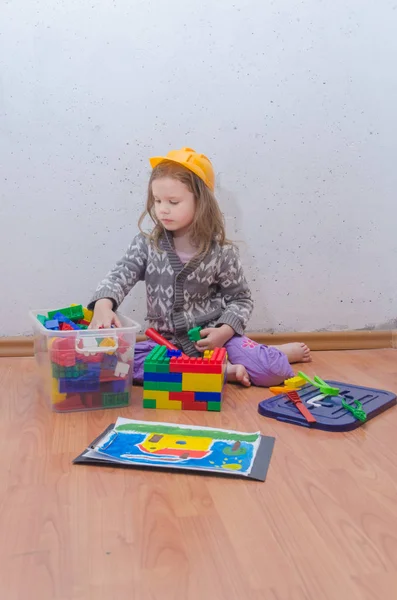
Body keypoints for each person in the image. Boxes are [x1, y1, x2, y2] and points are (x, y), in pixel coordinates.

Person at [88, 147, 311, 387]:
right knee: (114, 366)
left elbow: (241, 299)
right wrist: (104, 304)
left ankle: (274, 353)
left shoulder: (222, 253)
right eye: (157, 200)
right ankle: (222, 372)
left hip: (216, 341)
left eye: (173, 202)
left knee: (272, 371)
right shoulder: (147, 245)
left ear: (201, 201)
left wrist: (224, 331)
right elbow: (119, 276)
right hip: (164, 345)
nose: (162, 209)